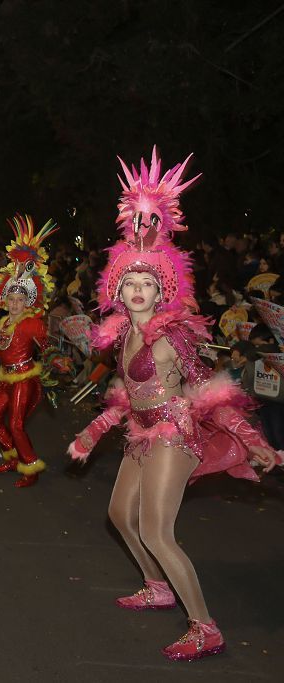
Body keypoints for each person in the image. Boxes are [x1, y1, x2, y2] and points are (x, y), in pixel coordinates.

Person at [67, 149, 281, 661]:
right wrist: (93, 433)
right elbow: (127, 398)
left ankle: (205, 626)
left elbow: (211, 395)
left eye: (147, 282)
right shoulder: (123, 336)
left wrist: (255, 441)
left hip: (175, 433)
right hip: (142, 431)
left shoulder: (172, 338)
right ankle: (157, 586)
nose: (138, 289)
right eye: (130, 282)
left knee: (156, 530)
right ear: (117, 288)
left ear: (162, 288)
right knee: (120, 514)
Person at [0, 216, 68, 487]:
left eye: (21, 299)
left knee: (17, 424)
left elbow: (49, 348)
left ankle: (30, 468)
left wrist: (59, 361)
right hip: (4, 378)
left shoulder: (32, 323)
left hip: (24, 379)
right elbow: (0, 352)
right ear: (6, 299)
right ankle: (11, 456)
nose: (16, 303)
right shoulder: (5, 322)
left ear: (27, 301)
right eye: (12, 299)